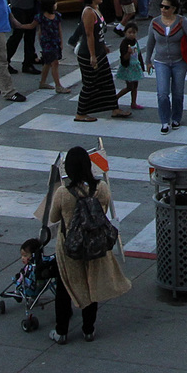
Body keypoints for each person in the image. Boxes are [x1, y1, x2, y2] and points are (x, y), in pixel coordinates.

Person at [36, 146, 133, 344]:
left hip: (69, 246)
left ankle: (61, 331)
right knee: (92, 284)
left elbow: (53, 217)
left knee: (66, 286)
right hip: (95, 244)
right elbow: (104, 210)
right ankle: (88, 329)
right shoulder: (101, 188)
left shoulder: (63, 193)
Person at [150, 0, 187, 133]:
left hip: (179, 62)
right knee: (162, 93)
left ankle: (176, 117)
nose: (163, 9)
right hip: (160, 61)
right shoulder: (155, 22)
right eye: (161, 6)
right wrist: (147, 60)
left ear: (174, 9)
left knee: (177, 93)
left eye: (166, 7)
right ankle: (164, 120)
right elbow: (150, 41)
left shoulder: (182, 21)